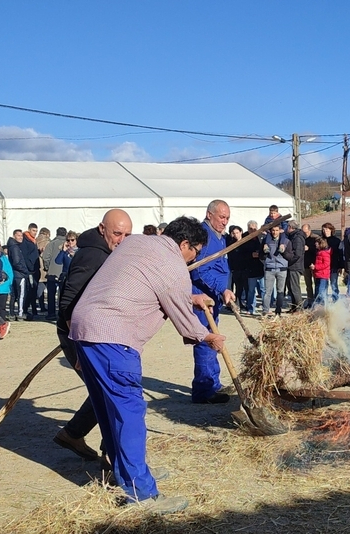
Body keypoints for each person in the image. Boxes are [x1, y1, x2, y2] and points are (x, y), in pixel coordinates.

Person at [69, 216, 225, 513]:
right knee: (129, 413)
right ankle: (142, 493)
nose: (194, 258)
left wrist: (190, 297)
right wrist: (207, 337)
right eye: (195, 252)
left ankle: (124, 474)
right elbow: (183, 319)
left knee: (108, 410)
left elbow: (144, 284)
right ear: (184, 244)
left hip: (85, 330)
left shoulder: (138, 242)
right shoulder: (173, 264)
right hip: (114, 337)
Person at [55, 209, 133, 461]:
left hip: (97, 332)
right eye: (117, 233)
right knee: (110, 393)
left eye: (127, 235)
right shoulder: (93, 255)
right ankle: (112, 457)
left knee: (104, 390)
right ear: (102, 229)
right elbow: (68, 301)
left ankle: (73, 434)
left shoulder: (108, 252)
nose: (122, 240)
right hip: (80, 335)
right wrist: (78, 347)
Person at [190, 200, 237, 404]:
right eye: (221, 217)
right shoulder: (204, 236)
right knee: (206, 340)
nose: (225, 222)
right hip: (202, 297)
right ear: (209, 215)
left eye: (227, 218)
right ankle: (204, 390)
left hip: (213, 296)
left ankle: (213, 384)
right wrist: (222, 288)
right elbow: (200, 271)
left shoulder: (220, 237)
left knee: (214, 338)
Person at [262, 223, 291, 315]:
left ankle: (278, 311)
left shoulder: (286, 241)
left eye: (277, 230)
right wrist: (264, 255)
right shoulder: (266, 241)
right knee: (267, 292)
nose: (275, 232)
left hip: (281, 269)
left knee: (280, 291)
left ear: (280, 231)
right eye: (273, 230)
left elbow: (290, 255)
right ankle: (265, 311)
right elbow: (261, 255)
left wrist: (284, 253)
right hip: (269, 269)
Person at [42, 227, 67, 322]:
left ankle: (51, 313)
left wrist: (48, 267)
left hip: (52, 272)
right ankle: (62, 313)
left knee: (51, 294)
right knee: (63, 294)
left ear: (56, 234)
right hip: (64, 273)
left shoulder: (51, 244)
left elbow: (46, 257)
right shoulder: (68, 244)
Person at [284, 220, 306, 312]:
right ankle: (294, 308)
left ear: (290, 227)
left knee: (295, 288)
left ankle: (299, 309)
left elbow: (297, 254)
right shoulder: (292, 236)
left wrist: (287, 258)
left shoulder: (297, 238)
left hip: (295, 266)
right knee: (291, 288)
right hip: (292, 266)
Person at [312, 223, 336, 306]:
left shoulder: (324, 253)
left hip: (323, 274)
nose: (315, 244)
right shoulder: (319, 252)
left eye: (316, 243)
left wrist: (316, 267)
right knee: (317, 290)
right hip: (318, 274)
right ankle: (317, 305)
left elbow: (326, 263)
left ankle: (323, 306)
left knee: (322, 291)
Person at [0, 240, 14, 321]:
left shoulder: (4, 258)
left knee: (1, 309)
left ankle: (2, 325)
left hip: (3, 287)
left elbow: (10, 272)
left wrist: (9, 283)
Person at [301, 223, 316, 306]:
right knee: (308, 284)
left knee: (317, 283)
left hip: (314, 264)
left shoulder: (315, 238)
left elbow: (318, 250)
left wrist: (309, 248)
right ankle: (310, 301)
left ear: (309, 230)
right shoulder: (301, 238)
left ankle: (317, 301)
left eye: (306, 232)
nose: (304, 234)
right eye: (303, 232)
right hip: (305, 264)